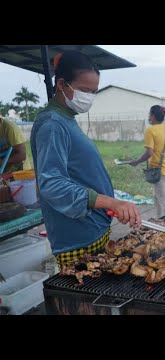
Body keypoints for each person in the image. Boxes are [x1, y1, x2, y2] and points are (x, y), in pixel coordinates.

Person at [30, 50, 141, 268]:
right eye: (84, 90)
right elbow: (52, 184)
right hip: (76, 240)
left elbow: (79, 173)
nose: (89, 97)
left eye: (94, 91)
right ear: (61, 84)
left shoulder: (67, 119)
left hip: (93, 228)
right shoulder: (52, 124)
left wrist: (110, 202)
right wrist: (111, 202)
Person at [129, 105, 165, 218]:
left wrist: (136, 161)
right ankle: (160, 223)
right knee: (158, 198)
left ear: (152, 116)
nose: (149, 116)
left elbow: (149, 153)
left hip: (159, 172)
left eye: (149, 114)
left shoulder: (150, 130)